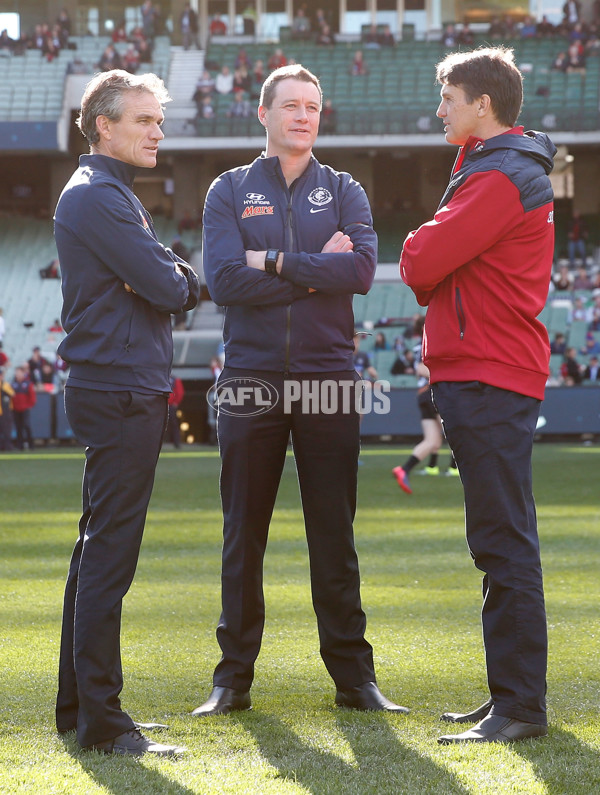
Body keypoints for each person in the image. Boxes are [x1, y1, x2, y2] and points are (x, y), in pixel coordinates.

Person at [195, 64, 409, 719]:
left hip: (329, 379)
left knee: (333, 534)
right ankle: (231, 681)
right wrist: (320, 270)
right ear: (263, 114)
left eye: (313, 106)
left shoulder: (345, 189)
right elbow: (225, 282)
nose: (303, 116)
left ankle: (355, 679)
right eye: (291, 105)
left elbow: (363, 271)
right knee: (243, 535)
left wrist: (277, 261)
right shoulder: (228, 190)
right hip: (251, 381)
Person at [400, 47, 555, 744]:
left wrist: (420, 250)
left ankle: (520, 706)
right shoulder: (491, 170)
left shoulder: (497, 177)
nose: (441, 110)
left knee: (503, 540)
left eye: (449, 98)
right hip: (485, 370)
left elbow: (421, 261)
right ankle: (510, 698)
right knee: (497, 538)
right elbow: (438, 269)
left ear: (481, 105)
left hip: (489, 371)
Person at [54, 69, 200, 757]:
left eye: (157, 120)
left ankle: (79, 708)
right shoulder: (99, 198)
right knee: (109, 554)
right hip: (119, 386)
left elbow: (160, 277)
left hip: (115, 381)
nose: (157, 131)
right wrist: (175, 275)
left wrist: (166, 274)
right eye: (143, 119)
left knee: (95, 551)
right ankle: (105, 722)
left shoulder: (107, 194)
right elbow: (169, 284)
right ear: (103, 124)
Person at [392, 316, 458, 493]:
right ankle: (460, 468)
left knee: (432, 441)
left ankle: (404, 469)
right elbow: (421, 369)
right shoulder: (427, 342)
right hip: (432, 392)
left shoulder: (417, 344)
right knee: (456, 430)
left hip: (423, 395)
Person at [11, 365, 36, 450]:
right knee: (18, 427)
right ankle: (20, 446)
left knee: (27, 426)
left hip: (25, 409)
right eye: (16, 373)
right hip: (16, 409)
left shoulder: (28, 383)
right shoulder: (13, 384)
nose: (17, 374)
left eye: (19, 372)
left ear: (23, 373)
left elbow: (32, 397)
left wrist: (29, 405)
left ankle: (31, 444)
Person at [166, 375, 185, 447]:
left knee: (173, 424)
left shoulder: (175, 379)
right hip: (164, 405)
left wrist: (176, 402)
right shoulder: (164, 378)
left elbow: (180, 392)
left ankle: (176, 443)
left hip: (171, 405)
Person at [0, 368, 14, 451]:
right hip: (2, 411)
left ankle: (7, 446)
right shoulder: (4, 385)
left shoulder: (5, 385)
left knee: (6, 430)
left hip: (5, 411)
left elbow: (12, 394)